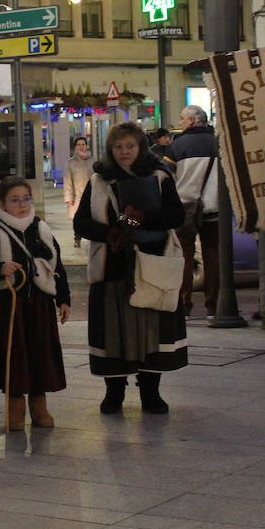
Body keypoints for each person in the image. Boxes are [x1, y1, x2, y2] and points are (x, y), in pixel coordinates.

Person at [74, 122, 187, 414]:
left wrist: (140, 220)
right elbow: (82, 222)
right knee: (113, 331)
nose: (124, 152)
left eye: (130, 146)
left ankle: (151, 392)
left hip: (151, 263)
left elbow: (176, 215)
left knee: (152, 329)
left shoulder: (160, 176)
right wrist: (110, 231)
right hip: (112, 267)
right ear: (111, 150)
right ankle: (114, 392)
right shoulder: (99, 180)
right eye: (119, 147)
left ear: (141, 147)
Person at [0, 176, 69, 429]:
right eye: (14, 200)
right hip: (10, 307)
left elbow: (57, 267)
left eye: (26, 199)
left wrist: (63, 299)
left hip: (39, 305)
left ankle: (39, 409)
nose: (22, 205)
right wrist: (0, 268)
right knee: (13, 358)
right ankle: (14, 411)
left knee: (40, 356)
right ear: (2, 203)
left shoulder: (42, 229)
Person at [169, 105, 220, 320]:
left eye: (182, 119)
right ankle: (212, 306)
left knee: (185, 258)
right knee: (212, 256)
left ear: (191, 121)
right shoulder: (218, 143)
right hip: (213, 208)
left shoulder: (177, 145)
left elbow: (169, 178)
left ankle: (185, 304)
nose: (180, 123)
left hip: (185, 209)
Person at [63, 136, 93, 247]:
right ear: (75, 147)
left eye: (83, 144)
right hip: (77, 196)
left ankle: (91, 238)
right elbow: (68, 182)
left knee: (91, 217)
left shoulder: (92, 161)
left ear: (86, 146)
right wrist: (69, 199)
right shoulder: (70, 163)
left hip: (91, 195)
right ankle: (77, 238)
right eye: (79, 145)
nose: (81, 147)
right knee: (77, 219)